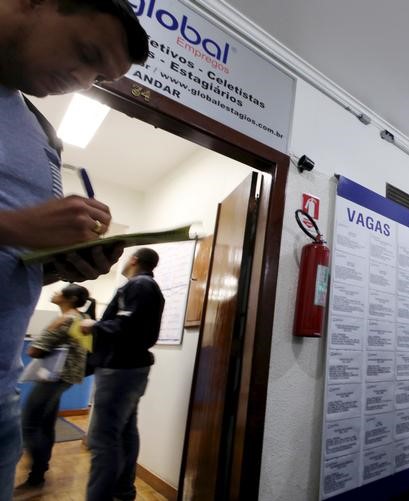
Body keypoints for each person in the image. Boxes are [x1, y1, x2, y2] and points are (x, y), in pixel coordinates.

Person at [0, 1, 148, 497]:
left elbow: (15, 261)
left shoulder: (42, 130)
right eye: (85, 53)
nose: (80, 80)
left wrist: (59, 263)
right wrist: (15, 226)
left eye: (98, 78)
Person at [81, 247, 164, 501]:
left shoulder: (140, 285)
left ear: (134, 260)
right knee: (126, 433)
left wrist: (93, 325)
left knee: (102, 441)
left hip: (121, 370)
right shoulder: (144, 287)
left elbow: (127, 326)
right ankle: (123, 492)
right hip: (129, 369)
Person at [18, 284, 96, 490]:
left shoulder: (66, 320)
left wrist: (47, 333)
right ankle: (39, 471)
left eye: (60, 291)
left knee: (30, 425)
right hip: (66, 378)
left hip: (53, 378)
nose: (55, 293)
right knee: (44, 424)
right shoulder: (81, 318)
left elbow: (34, 351)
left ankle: (36, 472)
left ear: (69, 299)